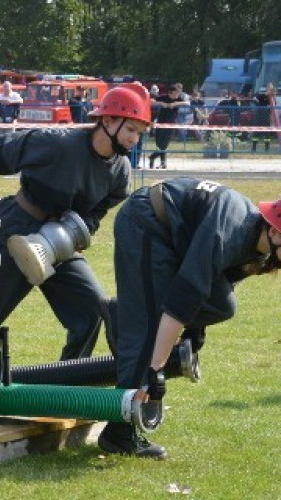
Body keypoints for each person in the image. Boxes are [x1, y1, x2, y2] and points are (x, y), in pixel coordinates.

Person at [0, 83, 151, 360]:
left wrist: (78, 231)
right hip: (16, 227)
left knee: (91, 311)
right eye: (130, 129)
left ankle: (65, 387)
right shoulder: (57, 142)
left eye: (139, 132)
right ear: (108, 120)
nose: (134, 139)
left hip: (62, 242)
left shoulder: (120, 172)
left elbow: (97, 212)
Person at [98, 177, 281, 459]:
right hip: (146, 221)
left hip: (176, 235)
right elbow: (183, 301)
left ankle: (125, 316)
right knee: (147, 331)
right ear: (276, 232)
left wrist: (197, 326)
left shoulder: (257, 243)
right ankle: (118, 432)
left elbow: (216, 287)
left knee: (224, 305)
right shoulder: (230, 233)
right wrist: (156, 367)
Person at [148, 84, 189, 169]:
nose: (178, 94)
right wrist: (162, 103)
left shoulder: (178, 99)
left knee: (164, 145)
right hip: (160, 123)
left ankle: (153, 157)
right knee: (160, 144)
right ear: (171, 93)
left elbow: (187, 103)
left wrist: (175, 104)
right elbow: (151, 101)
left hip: (170, 125)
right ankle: (162, 163)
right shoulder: (164, 97)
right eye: (176, 92)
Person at [251, 84, 274, 153]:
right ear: (267, 89)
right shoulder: (261, 95)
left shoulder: (272, 98)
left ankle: (267, 148)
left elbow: (273, 106)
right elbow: (254, 99)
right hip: (259, 117)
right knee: (256, 133)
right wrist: (265, 95)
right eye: (269, 89)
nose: (270, 91)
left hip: (266, 118)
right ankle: (254, 148)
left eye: (271, 89)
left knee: (267, 134)